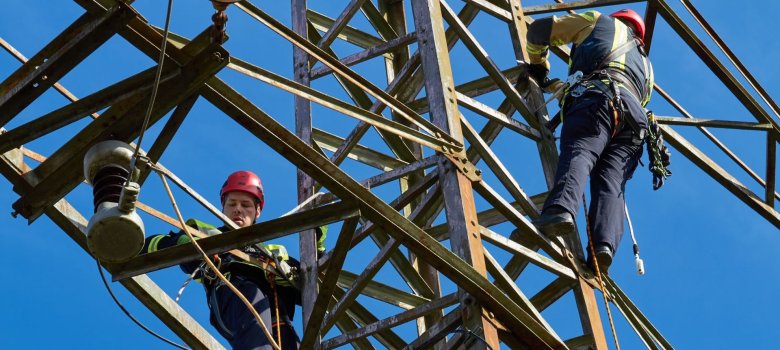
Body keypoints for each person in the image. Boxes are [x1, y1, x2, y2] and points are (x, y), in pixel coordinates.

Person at [525, 9, 655, 273]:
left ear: (617, 18)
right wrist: (556, 86)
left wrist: (539, 68)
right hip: (635, 125)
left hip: (598, 101)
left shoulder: (598, 21)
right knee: (612, 182)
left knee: (581, 150)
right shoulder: (647, 68)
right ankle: (603, 247)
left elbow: (538, 31)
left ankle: (561, 208)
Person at [144, 170, 326, 349]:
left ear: (258, 211)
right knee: (252, 301)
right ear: (223, 207)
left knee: (289, 339)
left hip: (275, 314)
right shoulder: (205, 233)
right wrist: (184, 242)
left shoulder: (274, 253)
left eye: (246, 205)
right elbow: (152, 244)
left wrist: (316, 244)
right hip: (234, 293)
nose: (238, 209)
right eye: (232, 204)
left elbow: (313, 285)